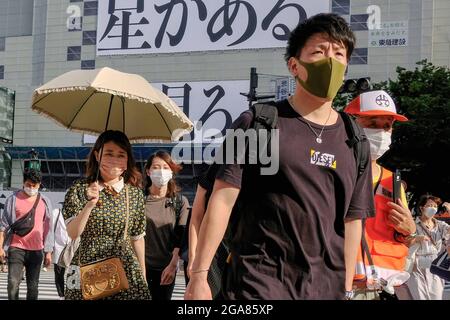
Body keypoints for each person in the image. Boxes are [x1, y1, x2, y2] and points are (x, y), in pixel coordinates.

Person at [185, 13, 375, 300]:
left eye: (339, 54)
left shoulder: (355, 138)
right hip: (259, 284)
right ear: (294, 66)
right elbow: (222, 199)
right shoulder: (259, 122)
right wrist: (199, 275)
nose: (331, 61)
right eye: (319, 52)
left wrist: (346, 290)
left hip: (325, 288)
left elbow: (352, 221)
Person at [344, 90, 416, 300]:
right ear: (351, 124)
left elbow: (402, 238)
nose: (381, 133)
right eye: (372, 124)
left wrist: (409, 231)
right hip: (339, 283)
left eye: (387, 126)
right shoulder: (332, 175)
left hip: (383, 289)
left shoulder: (392, 183)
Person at [62, 130, 150, 300]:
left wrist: (142, 273)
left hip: (125, 268)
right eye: (109, 153)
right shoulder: (79, 189)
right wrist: (89, 205)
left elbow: (137, 238)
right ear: (97, 155)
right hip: (86, 265)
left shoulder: (134, 194)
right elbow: (73, 233)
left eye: (121, 155)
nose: (115, 159)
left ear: (127, 161)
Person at [0, 169, 54, 300]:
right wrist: (0, 247)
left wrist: (48, 252)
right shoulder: (13, 199)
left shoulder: (45, 202)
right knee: (13, 283)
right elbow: (3, 225)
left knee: (33, 286)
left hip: (36, 250)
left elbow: (48, 228)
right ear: (23, 182)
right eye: (28, 184)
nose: (31, 188)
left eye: (34, 185)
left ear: (39, 184)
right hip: (16, 247)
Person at [143, 150, 189, 300]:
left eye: (165, 167)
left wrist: (173, 265)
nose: (161, 171)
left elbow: (180, 237)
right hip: (140, 267)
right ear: (148, 172)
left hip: (166, 268)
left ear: (171, 172)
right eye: (156, 167)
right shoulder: (138, 199)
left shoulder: (180, 202)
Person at [406, 194, 450, 300]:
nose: (433, 208)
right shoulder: (412, 224)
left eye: (435, 206)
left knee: (436, 296)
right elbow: (404, 243)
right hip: (416, 266)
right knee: (420, 297)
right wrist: (416, 238)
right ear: (422, 208)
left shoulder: (440, 225)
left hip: (435, 265)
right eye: (430, 205)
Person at [51, 207, 68, 299]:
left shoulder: (80, 210)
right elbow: (50, 230)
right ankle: (61, 295)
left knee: (74, 271)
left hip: (74, 247)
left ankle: (72, 294)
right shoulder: (56, 212)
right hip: (59, 247)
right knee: (59, 273)